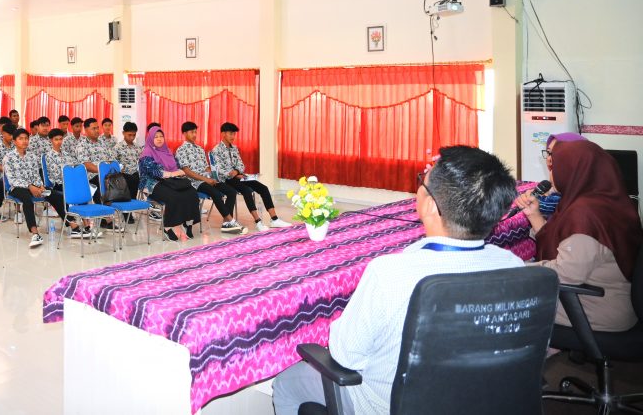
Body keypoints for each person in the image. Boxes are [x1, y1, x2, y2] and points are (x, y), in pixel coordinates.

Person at [272, 145, 524, 415]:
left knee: (286, 383)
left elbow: (345, 356)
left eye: (421, 182)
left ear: (429, 205)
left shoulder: (390, 273)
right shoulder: (515, 266)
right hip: (480, 401)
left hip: (386, 405)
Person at [518, 139, 642, 332]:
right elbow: (566, 246)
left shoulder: (586, 214)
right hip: (607, 298)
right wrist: (534, 215)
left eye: (555, 167)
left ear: (573, 170)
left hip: (597, 307)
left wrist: (514, 268)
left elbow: (565, 274)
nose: (551, 174)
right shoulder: (607, 201)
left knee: (506, 299)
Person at [3, 128, 75, 248]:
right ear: (14, 141)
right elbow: (12, 180)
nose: (24, 141)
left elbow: (36, 174)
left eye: (26, 138)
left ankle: (73, 225)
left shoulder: (32, 156)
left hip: (35, 187)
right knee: (27, 199)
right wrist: (30, 186)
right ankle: (35, 233)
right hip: (17, 188)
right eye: (21, 139)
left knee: (56, 196)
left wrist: (40, 186)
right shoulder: (8, 158)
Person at [211, 122, 291, 230]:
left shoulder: (234, 148)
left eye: (234, 134)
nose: (233, 137)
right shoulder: (216, 150)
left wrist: (237, 171)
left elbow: (241, 164)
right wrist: (233, 174)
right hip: (226, 179)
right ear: (223, 134)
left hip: (238, 176)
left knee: (263, 188)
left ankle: (274, 219)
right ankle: (258, 221)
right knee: (247, 190)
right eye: (231, 134)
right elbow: (218, 169)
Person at [175, 122, 244, 234]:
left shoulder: (200, 149)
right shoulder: (181, 150)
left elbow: (207, 167)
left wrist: (214, 176)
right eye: (192, 132)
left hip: (207, 179)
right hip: (195, 181)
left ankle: (226, 224)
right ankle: (231, 221)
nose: (195, 134)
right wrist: (206, 179)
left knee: (231, 192)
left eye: (196, 132)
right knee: (216, 194)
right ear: (184, 133)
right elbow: (187, 172)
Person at [138, 127, 201, 241]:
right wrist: (172, 174)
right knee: (174, 196)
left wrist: (176, 173)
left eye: (161, 136)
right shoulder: (146, 152)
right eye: (156, 137)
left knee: (191, 192)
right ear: (151, 139)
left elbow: (177, 167)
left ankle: (188, 222)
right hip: (152, 183)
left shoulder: (168, 151)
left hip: (170, 181)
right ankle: (167, 227)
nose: (159, 139)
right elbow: (153, 171)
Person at [113, 122, 142, 198]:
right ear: (123, 133)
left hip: (136, 174)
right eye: (130, 135)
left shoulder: (138, 147)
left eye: (134, 135)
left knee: (138, 178)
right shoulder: (117, 147)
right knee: (133, 180)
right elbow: (113, 164)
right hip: (124, 175)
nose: (132, 137)